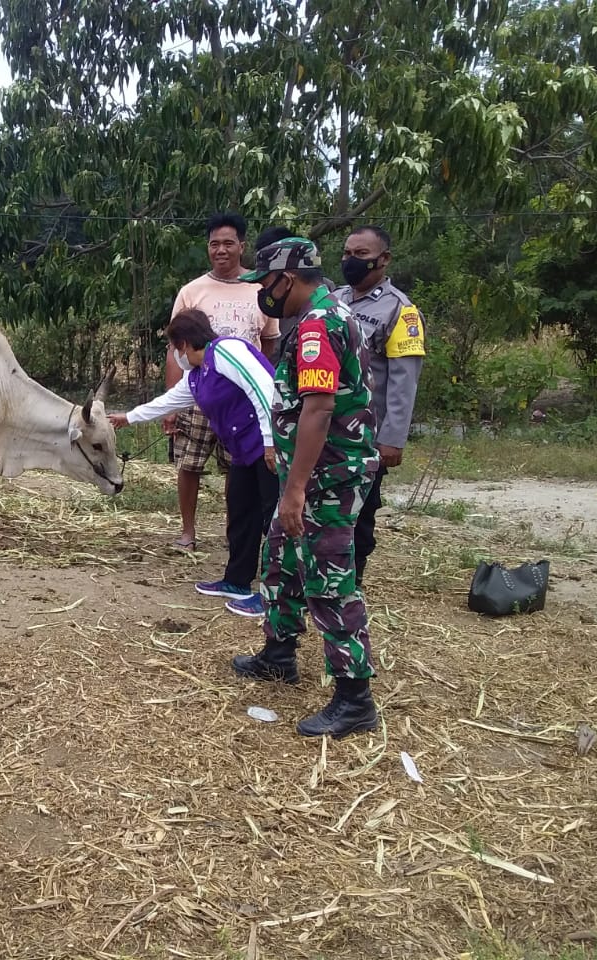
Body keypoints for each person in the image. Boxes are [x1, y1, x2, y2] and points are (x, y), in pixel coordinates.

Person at [232, 237, 381, 738]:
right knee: (280, 558)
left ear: (287, 279)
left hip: (327, 477)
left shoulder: (319, 323)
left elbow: (319, 408)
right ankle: (278, 654)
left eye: (265, 282)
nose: (263, 293)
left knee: (329, 577)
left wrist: (295, 489)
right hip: (309, 473)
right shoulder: (325, 314)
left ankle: (354, 697)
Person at [109, 309, 279, 615]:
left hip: (267, 446)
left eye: (175, 348)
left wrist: (270, 441)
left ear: (184, 344)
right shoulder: (198, 375)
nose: (175, 355)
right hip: (242, 449)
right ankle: (237, 581)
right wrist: (128, 417)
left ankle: (276, 596)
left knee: (274, 518)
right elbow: (169, 401)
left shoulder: (227, 351)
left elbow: (263, 388)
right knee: (241, 512)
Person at [162, 213, 281, 552]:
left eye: (228, 243)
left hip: (242, 403)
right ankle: (188, 532)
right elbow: (175, 348)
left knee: (237, 468)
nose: (221, 250)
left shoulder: (260, 289)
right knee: (189, 464)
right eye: (214, 244)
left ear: (242, 246)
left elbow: (267, 344)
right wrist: (171, 404)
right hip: (199, 395)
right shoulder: (192, 291)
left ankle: (235, 532)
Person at [334, 226, 426, 587]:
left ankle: (350, 585)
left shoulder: (401, 311)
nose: (351, 261)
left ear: (383, 259)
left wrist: (393, 439)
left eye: (361, 255)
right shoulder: (333, 299)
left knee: (360, 512)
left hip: (366, 436)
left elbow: (405, 380)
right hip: (325, 427)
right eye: (347, 253)